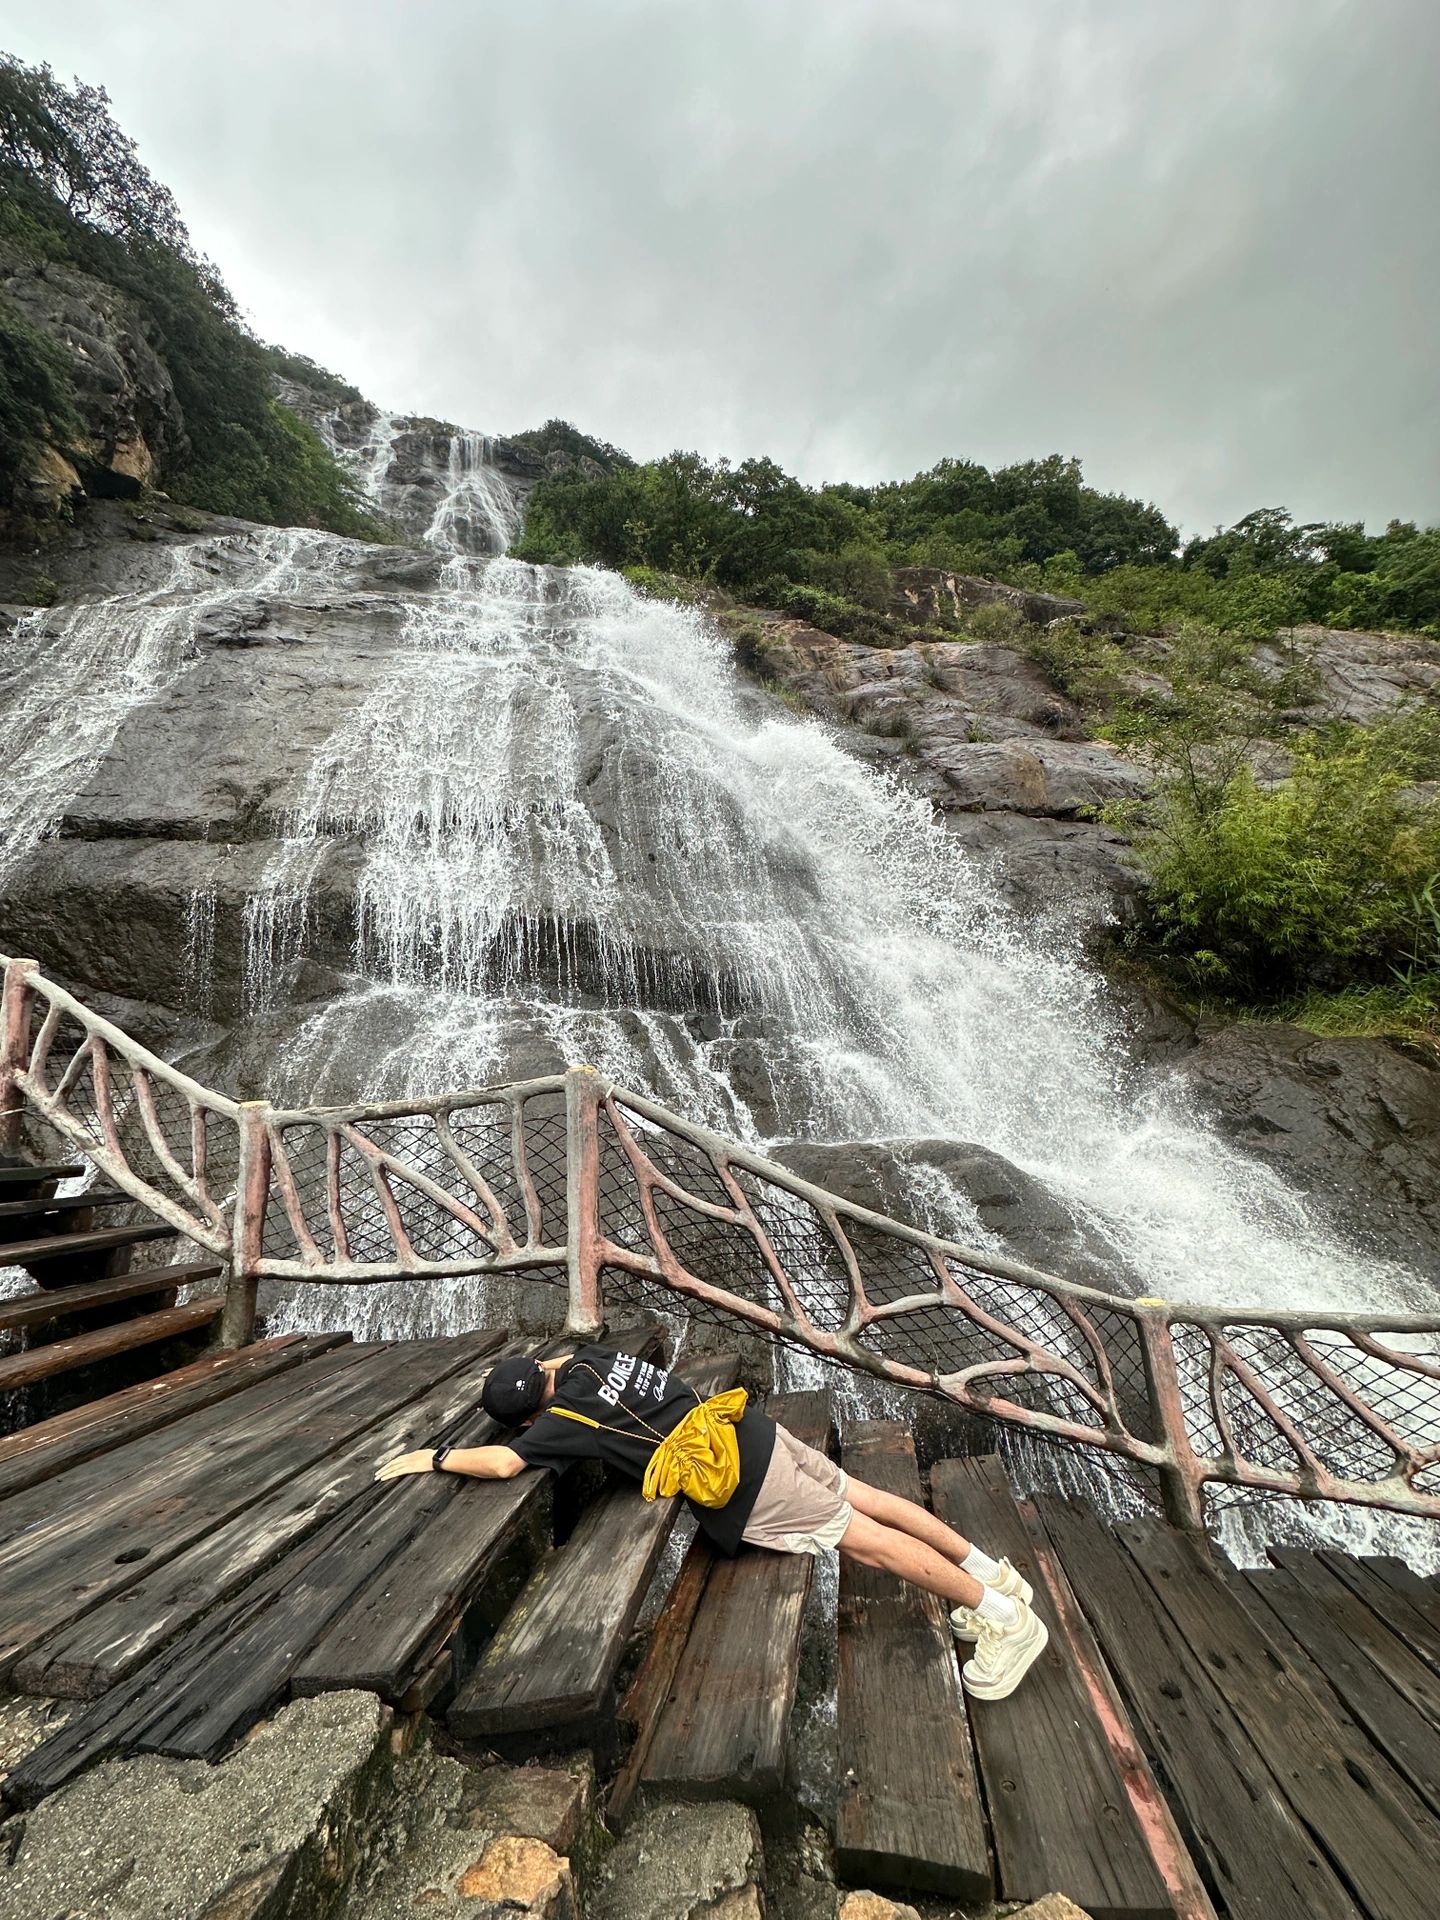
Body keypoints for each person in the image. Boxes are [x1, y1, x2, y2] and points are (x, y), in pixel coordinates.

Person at [376, 1344, 1048, 1700]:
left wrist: (432, 1456)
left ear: (529, 1417)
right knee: (869, 1498)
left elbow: (500, 1466)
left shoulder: (556, 1423)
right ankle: (995, 1575)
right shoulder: (587, 1358)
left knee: (867, 1544)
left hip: (745, 1479)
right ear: (544, 1368)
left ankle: (1007, 1621)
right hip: (750, 1428)